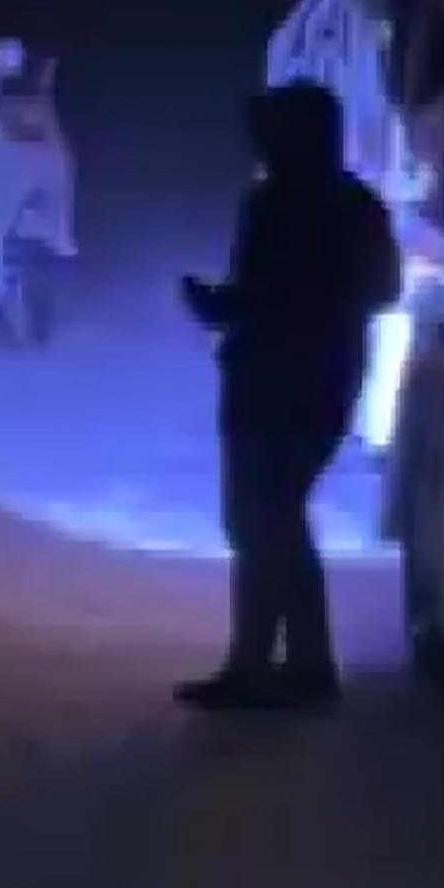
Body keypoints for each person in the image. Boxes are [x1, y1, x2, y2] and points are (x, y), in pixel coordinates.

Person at [174, 81, 400, 714]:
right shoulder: (358, 205)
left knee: (260, 519)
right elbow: (384, 290)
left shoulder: (273, 204)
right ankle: (304, 664)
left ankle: (260, 667)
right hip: (326, 384)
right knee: (279, 517)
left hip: (270, 385)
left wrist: (209, 304)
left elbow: (252, 296)